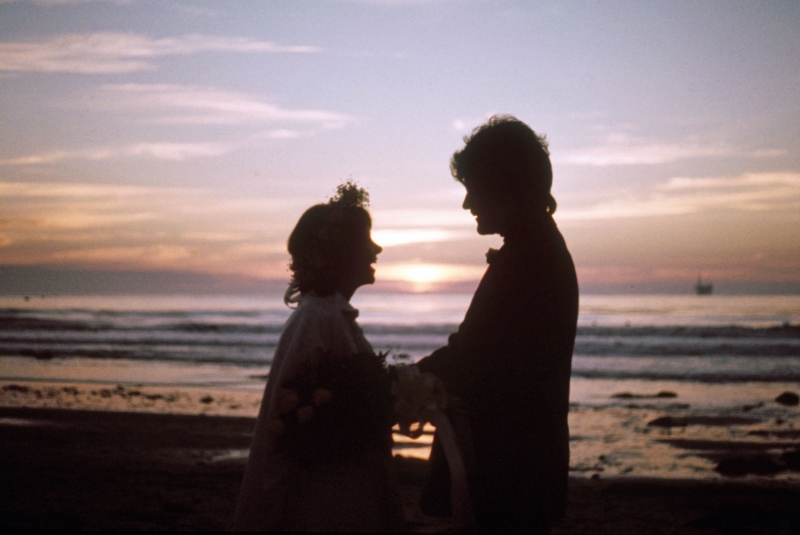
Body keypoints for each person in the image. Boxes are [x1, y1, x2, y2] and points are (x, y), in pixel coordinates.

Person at [416, 115, 579, 533]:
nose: (467, 203)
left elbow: (473, 356)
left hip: (509, 467)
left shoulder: (530, 258)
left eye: (472, 188)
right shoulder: (535, 247)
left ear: (503, 187)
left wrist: (401, 384)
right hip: (518, 464)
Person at [232, 182, 405, 532]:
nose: (377, 248)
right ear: (339, 253)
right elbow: (289, 417)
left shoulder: (329, 315)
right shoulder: (318, 318)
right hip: (328, 492)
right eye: (366, 240)